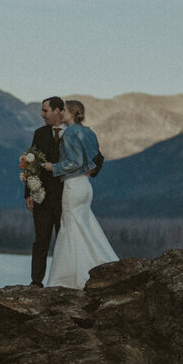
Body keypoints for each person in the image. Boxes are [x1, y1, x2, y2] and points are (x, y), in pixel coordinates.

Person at [42, 100, 118, 289]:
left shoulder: (70, 133)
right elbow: (96, 158)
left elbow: (74, 162)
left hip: (73, 185)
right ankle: (101, 264)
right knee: (85, 225)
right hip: (85, 186)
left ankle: (72, 278)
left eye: (65, 111)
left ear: (72, 113)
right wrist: (91, 168)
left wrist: (53, 167)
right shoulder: (88, 132)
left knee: (70, 227)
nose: (61, 114)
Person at [26, 96, 65, 286]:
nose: (42, 115)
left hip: (66, 198)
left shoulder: (75, 133)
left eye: (45, 110)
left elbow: (95, 158)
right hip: (41, 197)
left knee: (64, 241)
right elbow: (31, 163)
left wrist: (90, 171)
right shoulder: (39, 133)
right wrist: (29, 193)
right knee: (41, 241)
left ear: (58, 111)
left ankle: (61, 281)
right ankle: (36, 282)